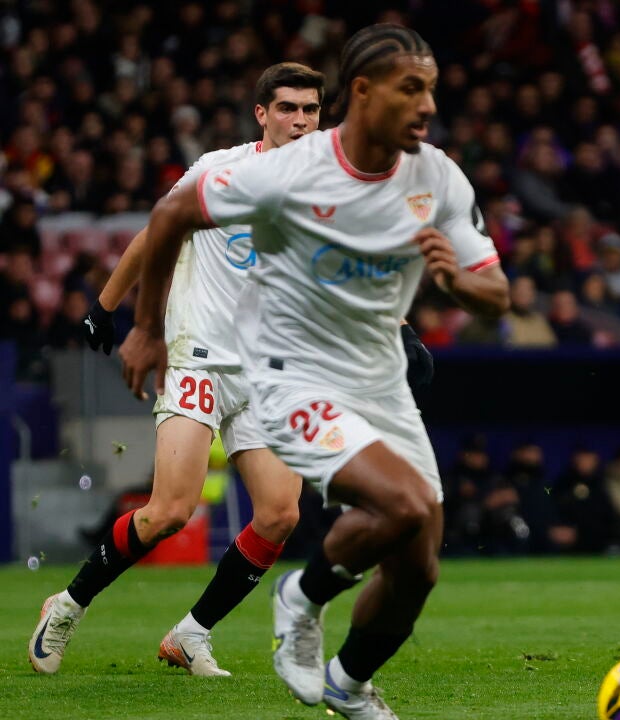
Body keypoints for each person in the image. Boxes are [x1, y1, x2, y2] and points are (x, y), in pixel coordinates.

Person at [117, 24, 509, 719]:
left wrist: (456, 280)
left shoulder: (438, 175)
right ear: (364, 92)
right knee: (403, 504)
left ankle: (348, 684)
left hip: (377, 381)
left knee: (419, 563)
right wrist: (146, 327)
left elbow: (496, 291)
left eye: (431, 90)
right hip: (290, 375)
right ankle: (300, 594)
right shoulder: (290, 170)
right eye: (411, 89)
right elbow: (172, 213)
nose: (427, 105)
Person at [29, 62, 327, 678]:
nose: (300, 120)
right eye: (288, 108)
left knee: (280, 514)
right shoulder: (221, 171)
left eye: (311, 109)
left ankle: (191, 634)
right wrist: (106, 307)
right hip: (199, 358)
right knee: (169, 511)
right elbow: (157, 231)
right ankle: (67, 605)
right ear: (262, 115)